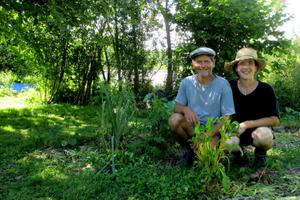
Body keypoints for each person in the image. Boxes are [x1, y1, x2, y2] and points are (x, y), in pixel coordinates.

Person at [168, 47, 235, 167]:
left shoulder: (223, 84)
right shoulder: (187, 82)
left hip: (213, 131)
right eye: (199, 62)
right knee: (174, 119)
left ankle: (205, 149)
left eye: (206, 61)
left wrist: (206, 136)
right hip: (194, 129)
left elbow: (227, 117)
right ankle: (187, 151)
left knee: (206, 159)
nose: (203, 65)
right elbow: (177, 107)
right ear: (193, 64)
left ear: (213, 63)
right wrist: (185, 109)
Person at [224, 47, 279, 179]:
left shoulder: (266, 89)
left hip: (258, 132)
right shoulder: (229, 87)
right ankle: (239, 155)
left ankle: (260, 157)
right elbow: (225, 113)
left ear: (256, 67)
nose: (246, 67)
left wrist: (248, 124)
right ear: (236, 68)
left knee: (265, 136)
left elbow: (275, 119)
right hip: (236, 131)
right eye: (242, 63)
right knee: (226, 142)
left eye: (250, 63)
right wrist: (229, 129)